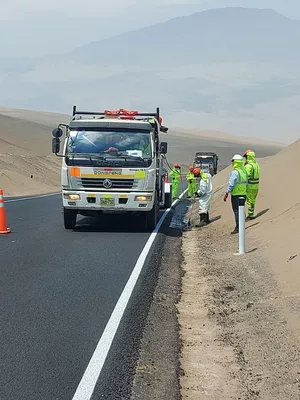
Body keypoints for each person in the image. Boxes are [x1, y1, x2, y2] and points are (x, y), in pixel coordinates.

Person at [223, 154, 248, 234]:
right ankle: (242, 225)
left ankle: (238, 227)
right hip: (243, 194)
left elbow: (231, 184)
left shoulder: (235, 172)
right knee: (242, 209)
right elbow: (247, 182)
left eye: (233, 161)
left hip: (236, 194)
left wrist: (227, 193)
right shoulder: (244, 171)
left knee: (237, 211)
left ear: (236, 162)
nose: (232, 163)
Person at [243, 149, 260, 220]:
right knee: (252, 200)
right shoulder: (256, 165)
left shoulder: (248, 166)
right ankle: (251, 213)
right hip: (256, 185)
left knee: (249, 201)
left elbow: (246, 176)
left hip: (250, 185)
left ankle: (250, 215)